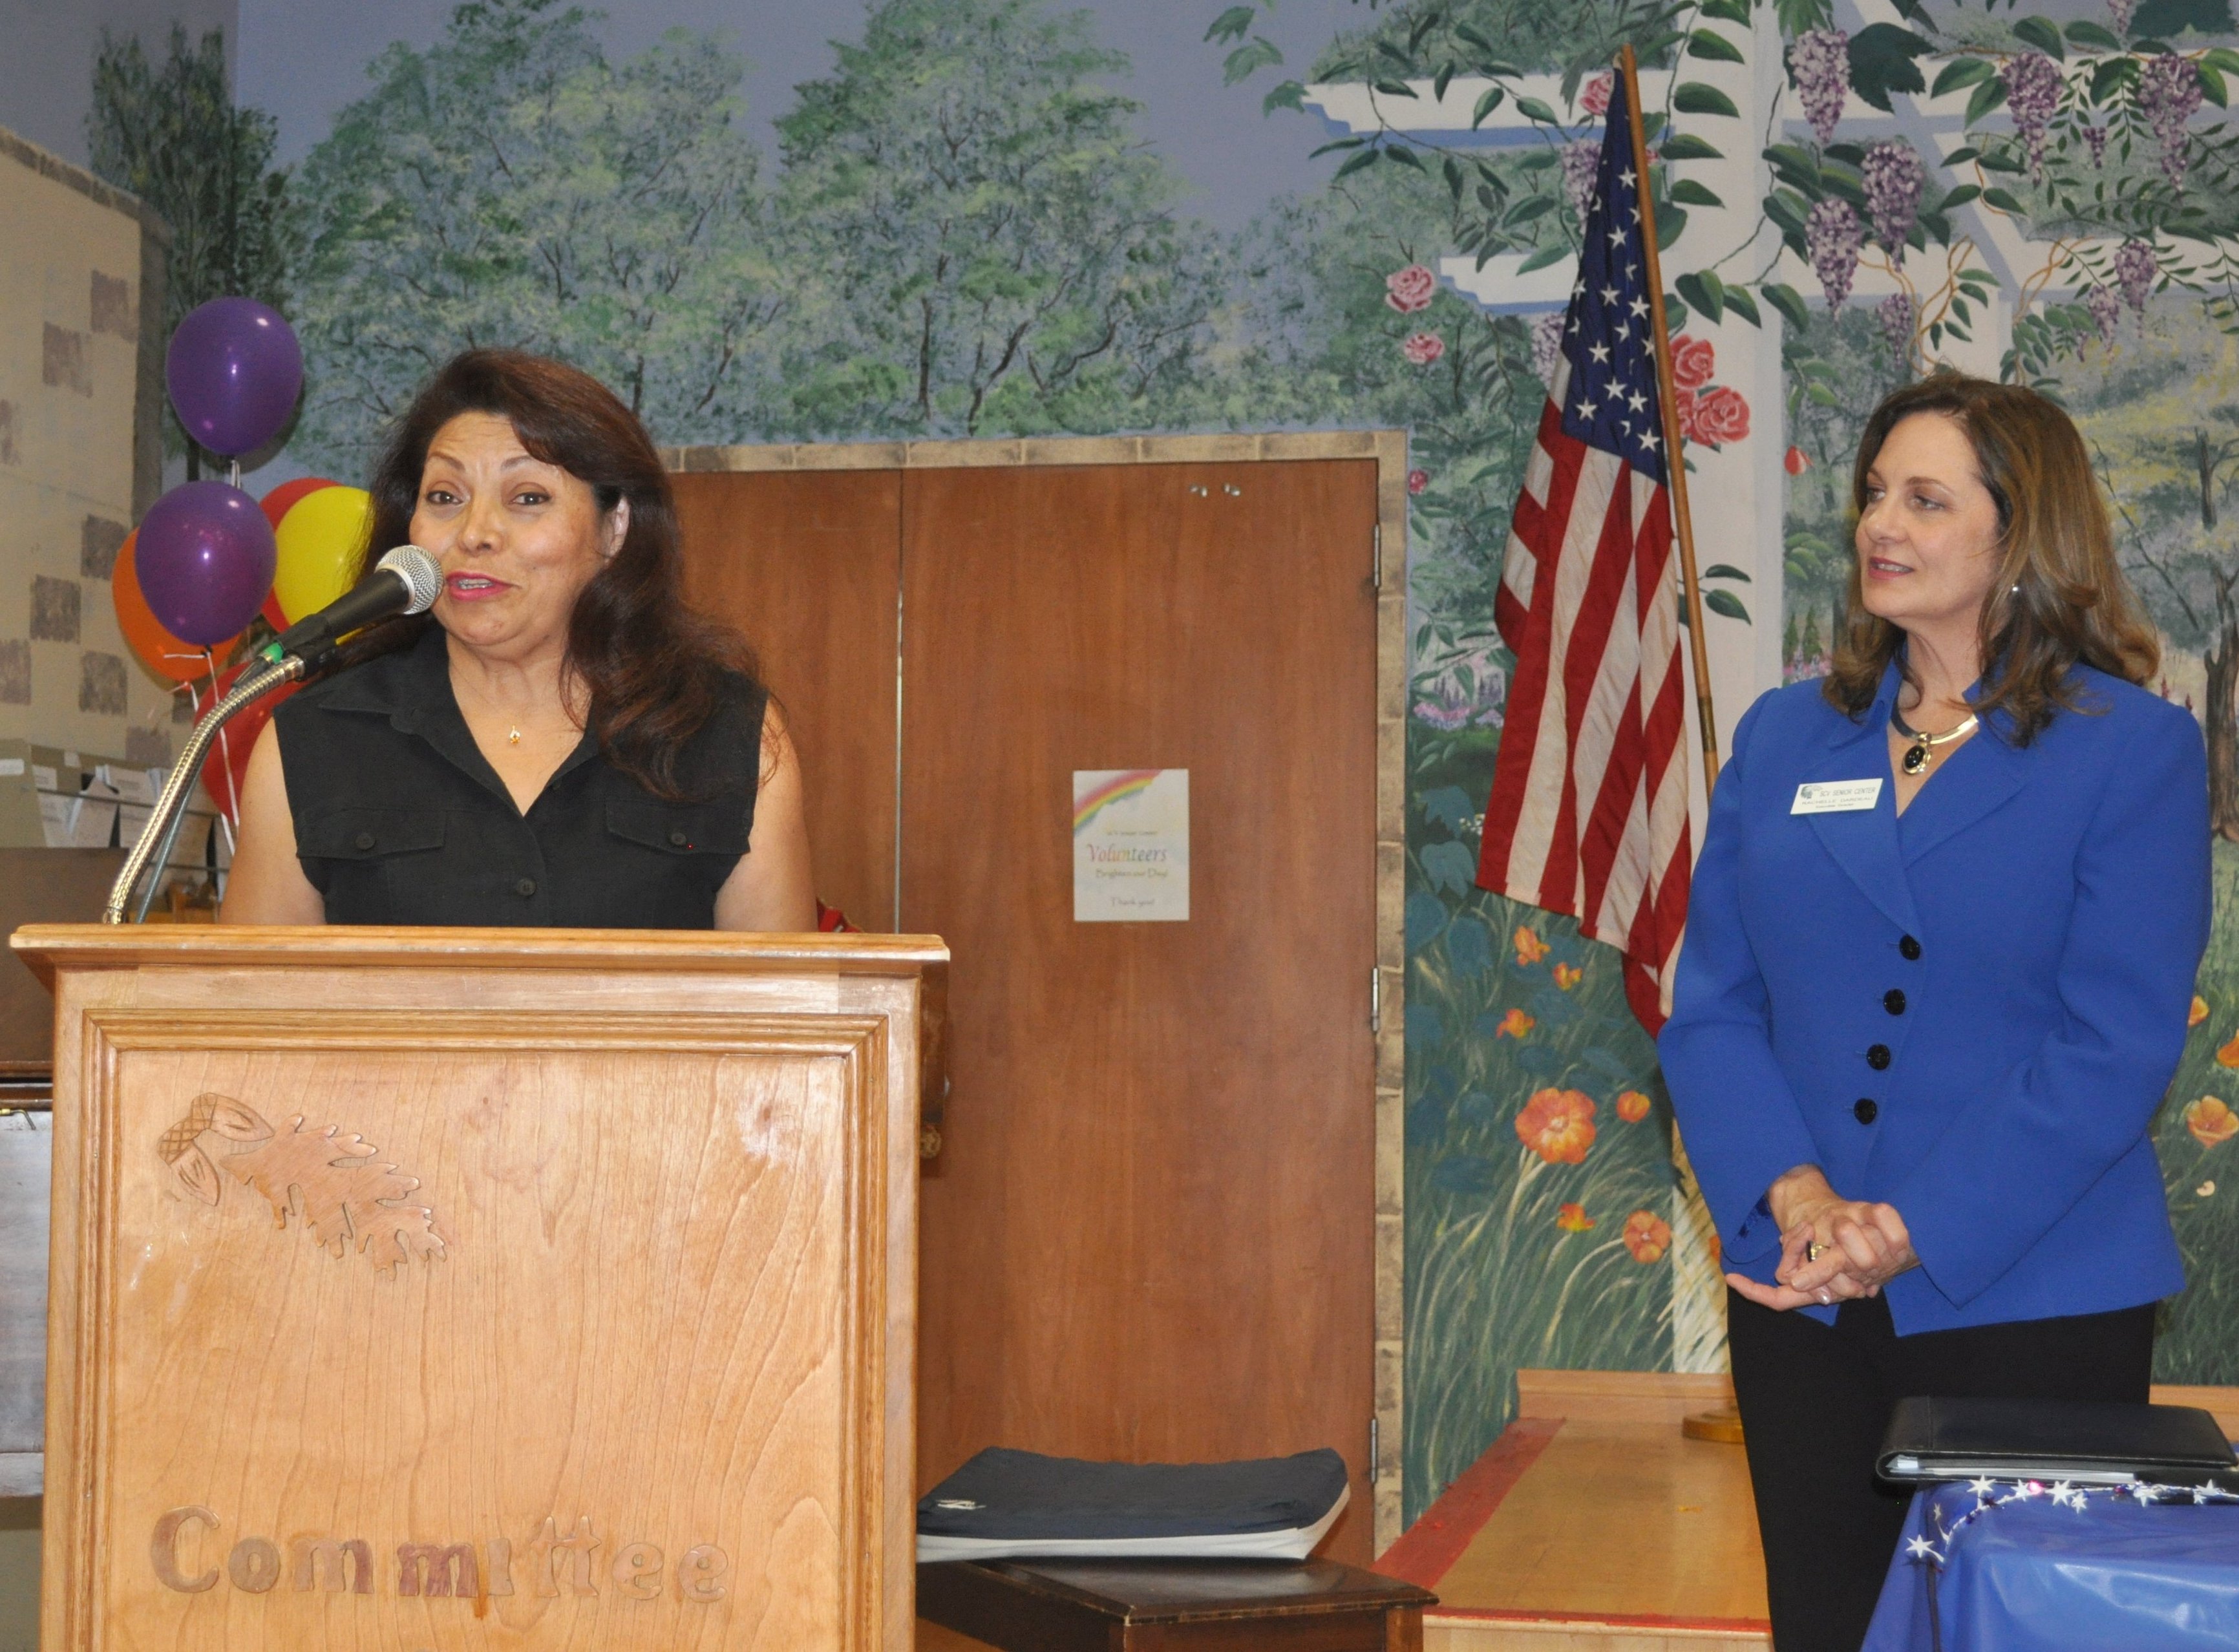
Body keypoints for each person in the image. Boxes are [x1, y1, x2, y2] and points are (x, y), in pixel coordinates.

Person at [1657, 373, 2210, 1651]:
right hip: (1805, 1297)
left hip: (2033, 1294)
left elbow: (2113, 1043)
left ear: (2020, 534)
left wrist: (1908, 1229)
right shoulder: (1784, 740)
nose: (1877, 525)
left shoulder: (2130, 750)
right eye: (1870, 495)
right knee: (1828, 1626)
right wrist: (1799, 1198)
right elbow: (1713, 1011)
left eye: (1922, 499)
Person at [220, 348, 816, 932]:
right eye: (445, 497)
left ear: (614, 528)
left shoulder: (727, 735)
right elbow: (247, 992)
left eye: (528, 498)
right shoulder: (316, 739)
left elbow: (787, 996)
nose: (475, 533)